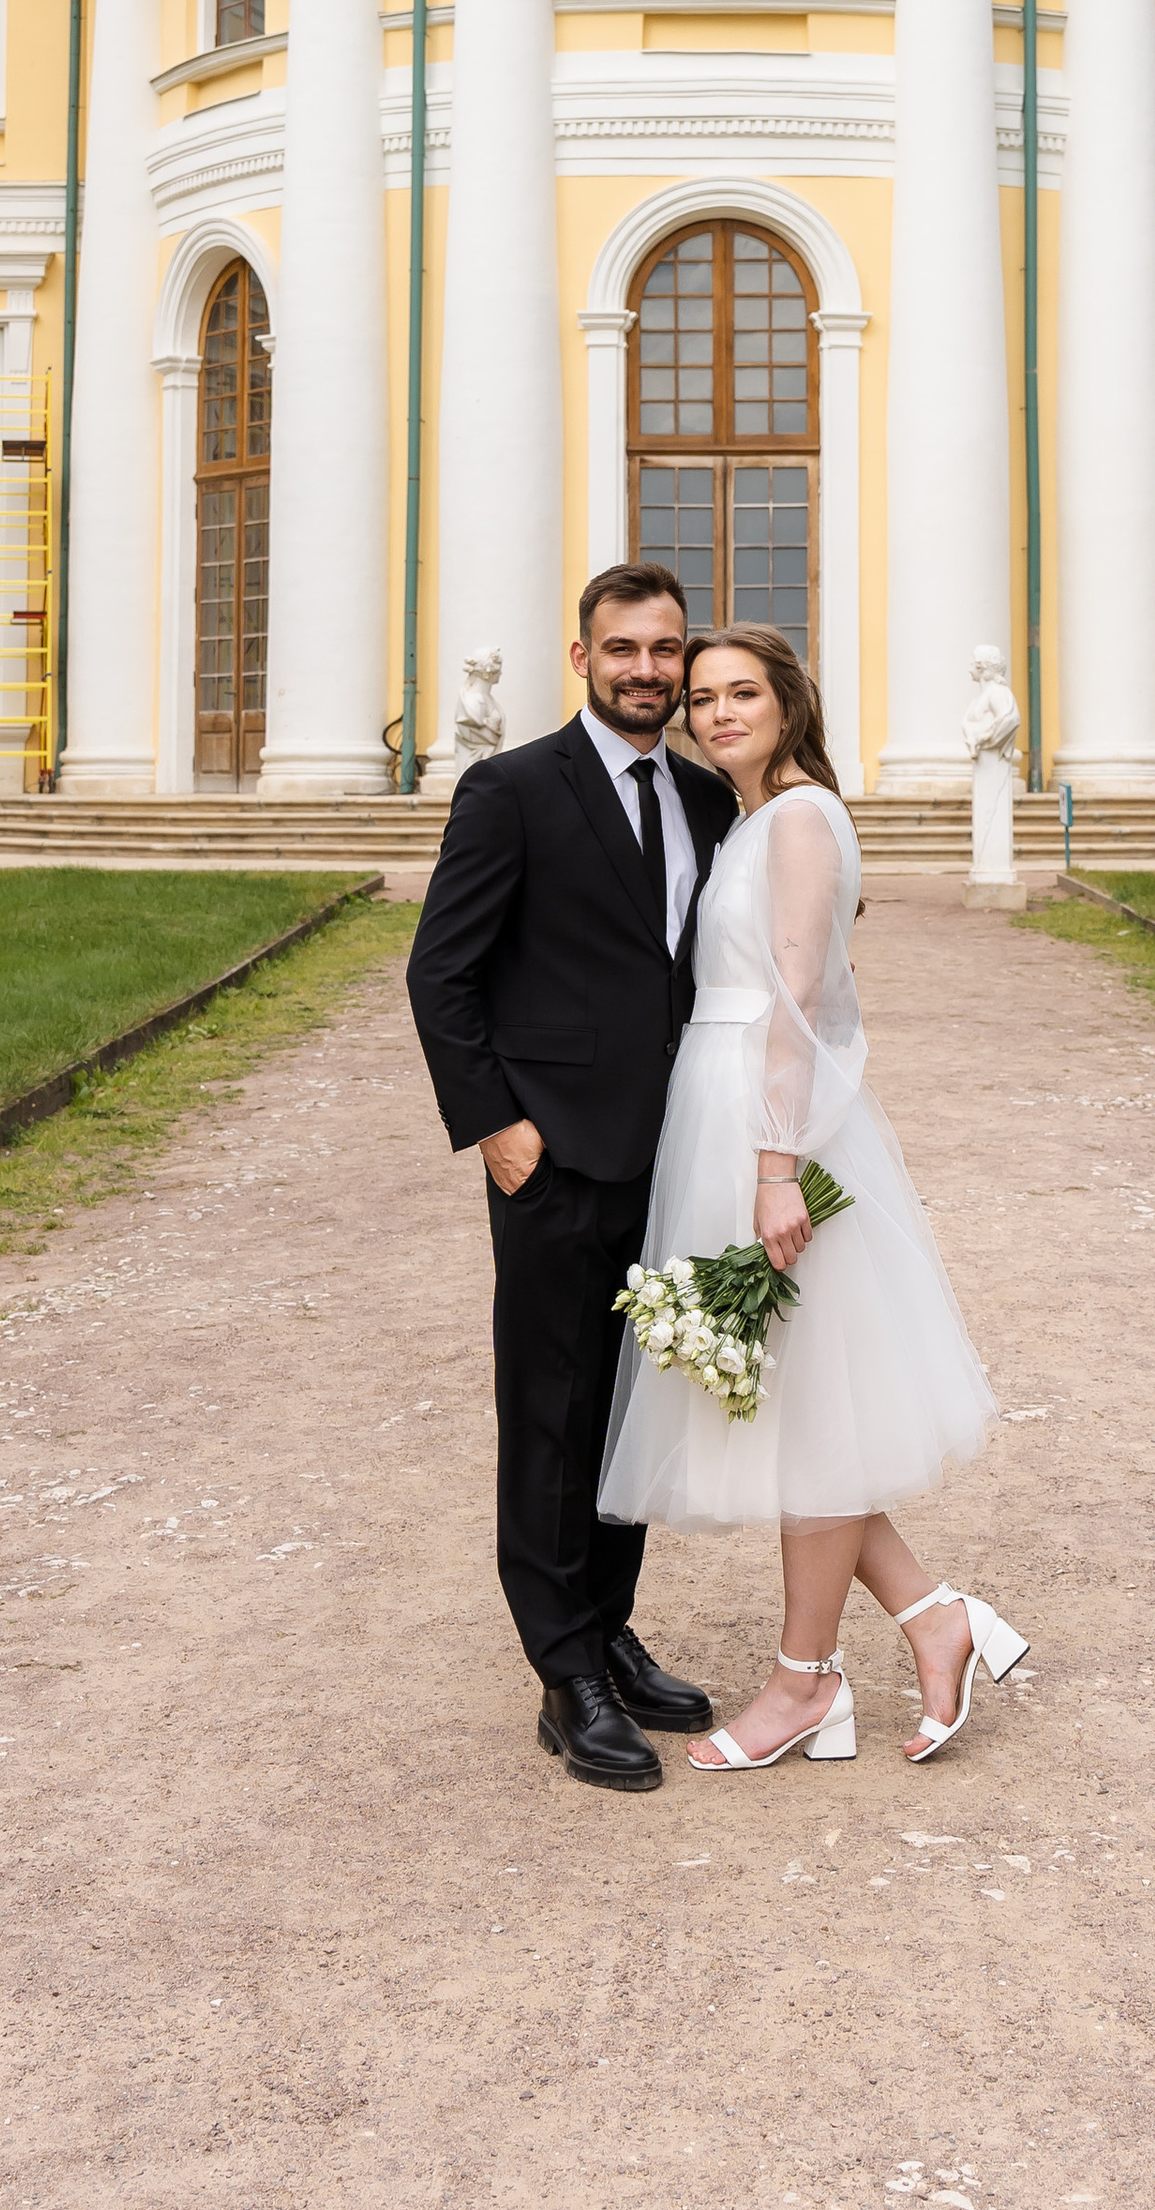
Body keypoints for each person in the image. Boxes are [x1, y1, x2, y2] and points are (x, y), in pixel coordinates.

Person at [602, 624, 1023, 1775]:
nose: (718, 712)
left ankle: (803, 1684)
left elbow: (801, 1001)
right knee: (800, 1415)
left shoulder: (795, 818)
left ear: (788, 702)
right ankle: (935, 1622)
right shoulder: (752, 820)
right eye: (702, 697)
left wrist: (776, 1163)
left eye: (743, 692)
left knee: (810, 1411)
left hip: (765, 1120)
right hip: (730, 1107)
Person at [405, 565, 741, 1791]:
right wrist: (496, 1126)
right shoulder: (511, 790)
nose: (646, 671)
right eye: (623, 650)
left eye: (665, 650)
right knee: (551, 1413)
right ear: (582, 656)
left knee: (630, 1409)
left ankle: (607, 1629)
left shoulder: (707, 803)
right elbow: (441, 973)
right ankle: (565, 1676)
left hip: (673, 1156)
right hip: (551, 1158)